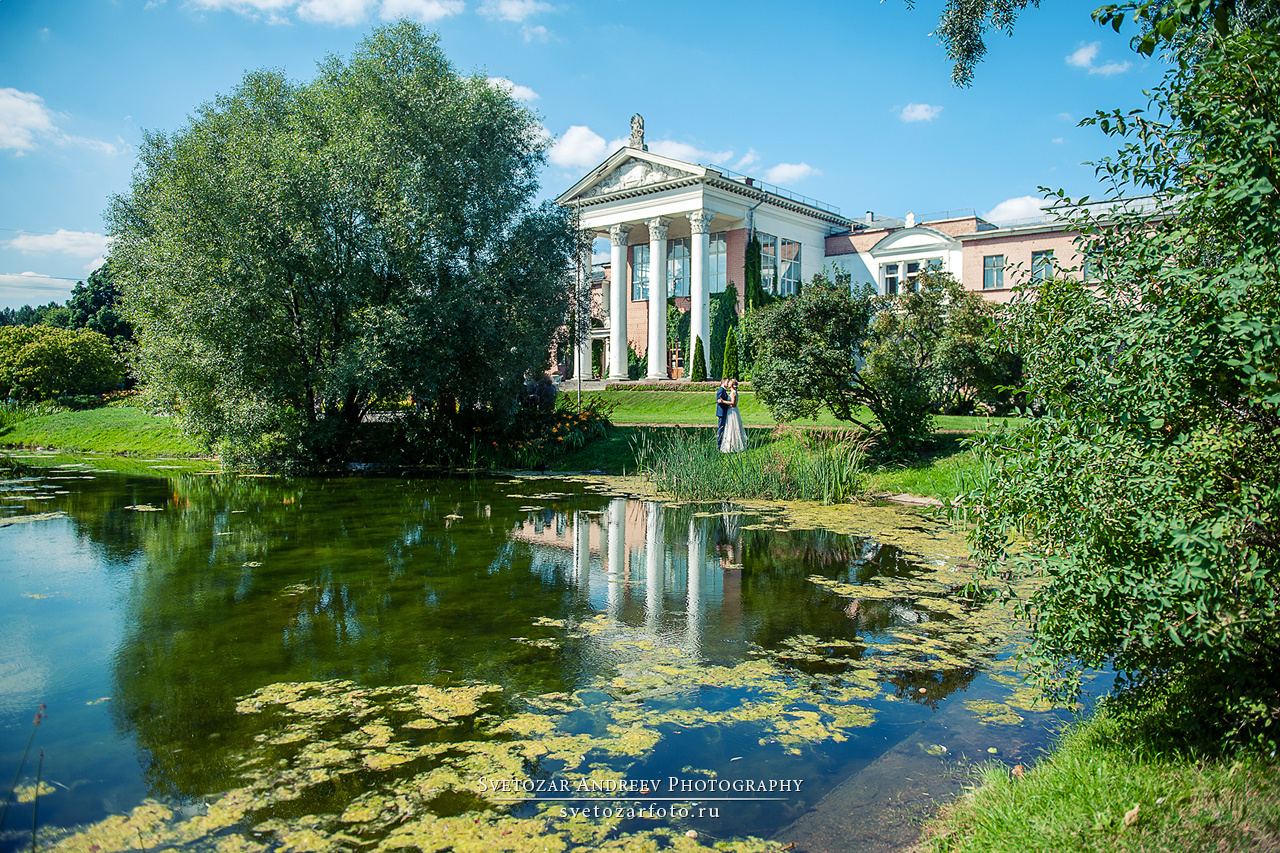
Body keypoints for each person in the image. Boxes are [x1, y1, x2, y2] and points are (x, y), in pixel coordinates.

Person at [719, 380, 747, 453]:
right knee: (730, 427)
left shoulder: (733, 393)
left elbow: (733, 403)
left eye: (730, 382)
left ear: (732, 385)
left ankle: (734, 446)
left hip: (732, 411)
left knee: (733, 427)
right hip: (731, 410)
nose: (728, 383)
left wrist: (723, 401)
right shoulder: (732, 392)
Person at [715, 377, 730, 445]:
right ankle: (719, 444)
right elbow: (719, 402)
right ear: (723, 382)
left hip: (723, 412)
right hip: (721, 413)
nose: (728, 383)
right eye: (727, 382)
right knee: (720, 429)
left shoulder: (723, 390)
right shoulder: (721, 390)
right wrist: (727, 405)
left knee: (723, 428)